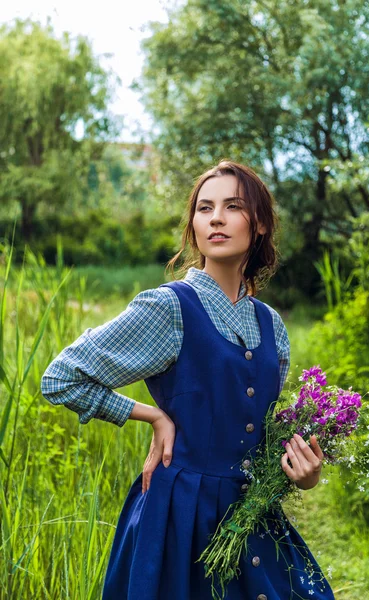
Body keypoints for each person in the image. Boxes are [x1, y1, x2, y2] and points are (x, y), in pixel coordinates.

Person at [41, 159, 335, 599]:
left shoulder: (272, 326)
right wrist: (153, 416)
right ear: (194, 225)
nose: (215, 218)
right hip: (177, 523)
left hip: (251, 521)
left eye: (232, 206)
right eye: (204, 208)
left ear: (258, 225)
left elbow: (262, 439)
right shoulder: (168, 309)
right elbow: (61, 377)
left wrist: (302, 475)